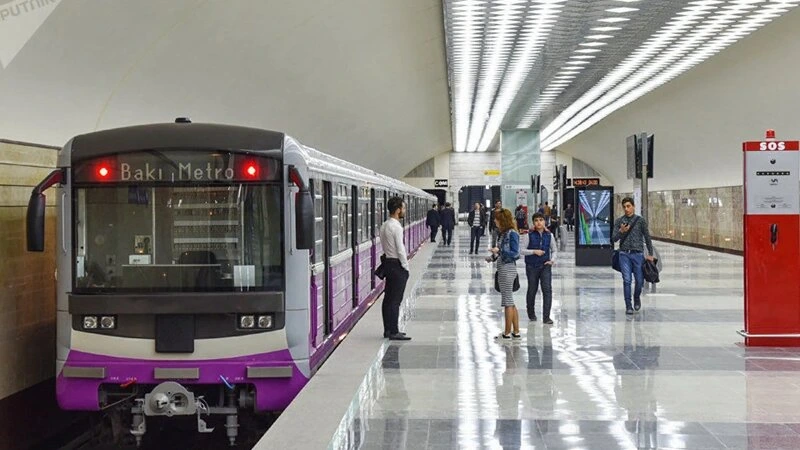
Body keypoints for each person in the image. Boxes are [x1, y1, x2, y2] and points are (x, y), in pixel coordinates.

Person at [612, 197, 655, 315]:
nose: (626, 209)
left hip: (638, 254)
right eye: (624, 207)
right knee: (627, 280)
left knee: (639, 280)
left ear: (633, 206)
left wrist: (650, 254)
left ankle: (636, 297)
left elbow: (647, 237)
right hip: (624, 254)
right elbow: (614, 238)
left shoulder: (640, 221)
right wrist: (621, 231)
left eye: (628, 206)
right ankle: (628, 305)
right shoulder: (619, 221)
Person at [379, 196, 412, 340]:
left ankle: (387, 329)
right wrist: (405, 266)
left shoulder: (384, 225)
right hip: (396, 265)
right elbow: (400, 249)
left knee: (388, 299)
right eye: (403, 208)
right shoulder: (396, 227)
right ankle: (394, 331)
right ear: (398, 210)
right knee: (395, 300)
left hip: (388, 263)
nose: (404, 211)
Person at [488, 209, 521, 340]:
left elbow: (515, 253)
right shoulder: (503, 234)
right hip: (502, 268)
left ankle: (506, 333)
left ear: (502, 220)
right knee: (510, 301)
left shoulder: (512, 234)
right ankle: (516, 331)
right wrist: (492, 257)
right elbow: (501, 253)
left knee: (507, 302)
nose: (495, 221)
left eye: (497, 219)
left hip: (508, 269)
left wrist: (500, 250)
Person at [522, 212, 557, 324]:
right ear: (533, 222)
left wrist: (552, 260)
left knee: (547, 290)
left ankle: (546, 317)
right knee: (532, 289)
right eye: (536, 220)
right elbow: (521, 250)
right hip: (531, 266)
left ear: (545, 221)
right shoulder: (528, 235)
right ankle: (531, 313)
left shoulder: (549, 235)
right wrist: (534, 251)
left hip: (545, 265)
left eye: (541, 220)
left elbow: (554, 250)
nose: (539, 222)